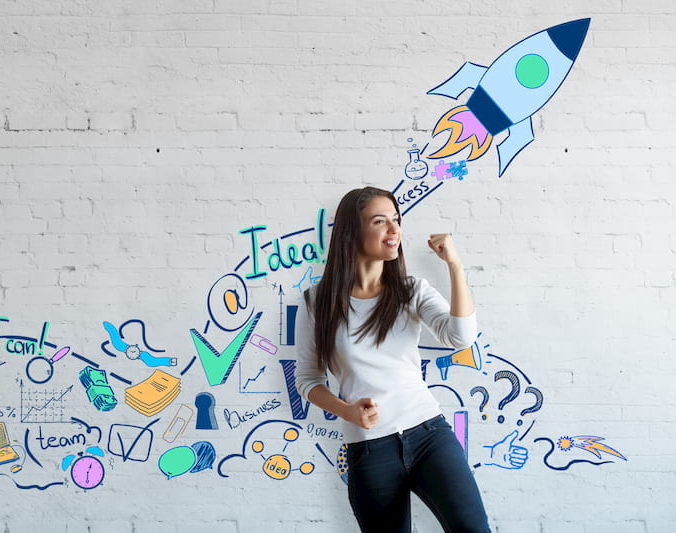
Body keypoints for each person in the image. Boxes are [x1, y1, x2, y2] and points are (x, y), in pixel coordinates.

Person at [295, 186, 491, 533]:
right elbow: (308, 380)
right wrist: (347, 410)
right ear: (353, 231)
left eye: (396, 220)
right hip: (370, 451)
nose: (394, 230)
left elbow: (460, 336)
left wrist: (455, 266)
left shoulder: (410, 290)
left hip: (429, 433)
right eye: (380, 221)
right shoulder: (317, 302)